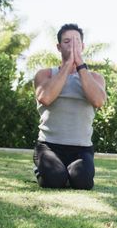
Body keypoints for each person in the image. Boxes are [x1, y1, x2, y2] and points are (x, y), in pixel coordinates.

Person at [32, 23, 107, 189]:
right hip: (49, 147)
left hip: (81, 149)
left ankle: (69, 173)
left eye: (76, 42)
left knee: (83, 183)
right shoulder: (45, 74)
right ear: (58, 47)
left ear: (83, 46)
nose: (72, 46)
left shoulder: (95, 77)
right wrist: (68, 65)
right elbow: (46, 97)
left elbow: (98, 101)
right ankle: (44, 169)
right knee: (54, 181)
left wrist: (79, 64)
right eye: (67, 42)